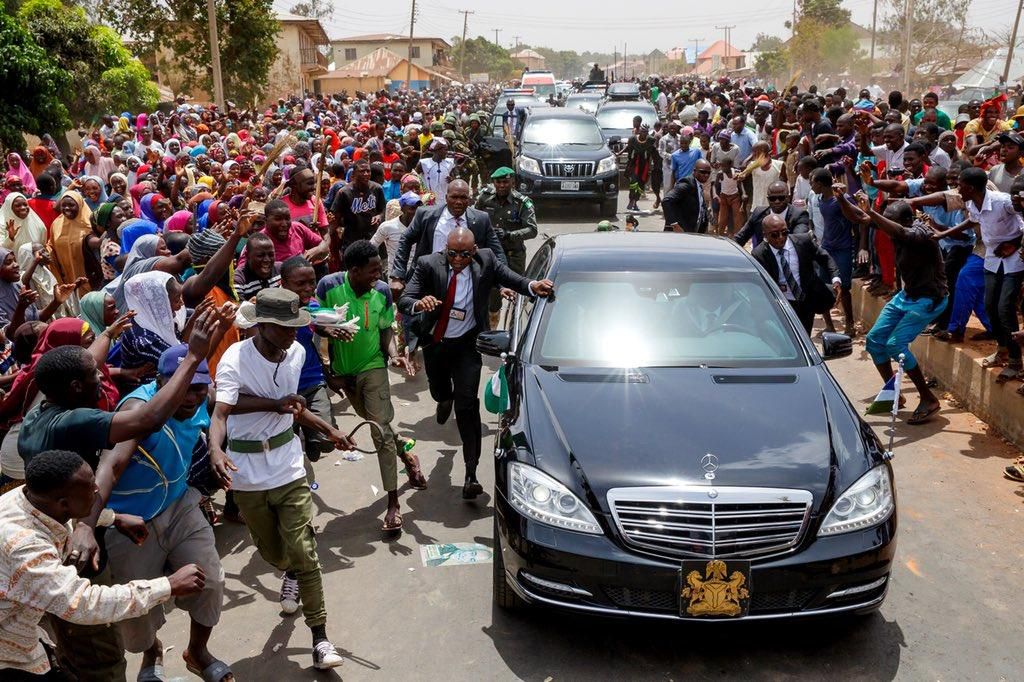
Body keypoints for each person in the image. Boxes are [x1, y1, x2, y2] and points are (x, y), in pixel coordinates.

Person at [16, 310, 226, 682]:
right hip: (67, 549)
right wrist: (193, 356)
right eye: (94, 374)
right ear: (75, 388)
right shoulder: (72, 421)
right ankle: (145, 656)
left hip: (97, 519)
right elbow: (144, 423)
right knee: (102, 651)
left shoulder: (43, 407)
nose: (104, 374)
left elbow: (87, 361)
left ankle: (193, 652)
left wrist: (109, 333)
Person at [209, 288, 355, 671]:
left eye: (298, 326)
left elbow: (292, 405)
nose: (295, 334)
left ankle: (321, 638)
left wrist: (328, 429)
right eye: (287, 328)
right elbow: (221, 411)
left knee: (305, 552)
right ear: (263, 325)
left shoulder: (297, 353)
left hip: (289, 465)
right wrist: (216, 450)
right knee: (275, 553)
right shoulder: (235, 358)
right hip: (247, 473)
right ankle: (287, 569)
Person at [82, 344, 232, 682]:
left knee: (210, 579)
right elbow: (113, 464)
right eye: (183, 387)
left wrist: (214, 449)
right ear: (162, 382)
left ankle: (197, 652)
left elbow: (214, 419)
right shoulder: (139, 408)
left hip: (180, 505)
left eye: (199, 387)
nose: (191, 397)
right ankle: (152, 652)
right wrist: (88, 526)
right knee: (136, 609)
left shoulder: (202, 399)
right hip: (130, 524)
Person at [0, 449, 205, 681]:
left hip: (25, 636)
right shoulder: (25, 547)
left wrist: (113, 518)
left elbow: (68, 514)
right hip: (10, 654)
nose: (98, 489)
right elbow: (81, 604)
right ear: (63, 503)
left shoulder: (27, 498)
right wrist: (168, 586)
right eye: (90, 488)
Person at [398, 228, 553, 498]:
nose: (457, 259)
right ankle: (443, 400)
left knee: (468, 404)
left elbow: (511, 278)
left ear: (474, 250)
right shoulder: (428, 264)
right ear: (445, 249)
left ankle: (471, 473)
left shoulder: (487, 260)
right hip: (436, 344)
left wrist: (532, 285)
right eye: (452, 253)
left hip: (468, 345)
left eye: (464, 254)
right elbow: (404, 299)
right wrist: (419, 303)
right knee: (441, 392)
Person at [316, 241, 425, 531]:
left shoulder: (382, 292)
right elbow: (316, 328)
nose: (379, 275)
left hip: (373, 367)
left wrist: (394, 355)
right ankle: (408, 456)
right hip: (343, 375)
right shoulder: (328, 286)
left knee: (379, 433)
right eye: (373, 270)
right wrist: (328, 372)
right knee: (381, 427)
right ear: (353, 270)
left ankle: (393, 503)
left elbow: (386, 329)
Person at [841, 194, 948, 424]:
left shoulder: (922, 234)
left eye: (888, 222)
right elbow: (859, 216)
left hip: (929, 299)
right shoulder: (896, 228)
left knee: (895, 345)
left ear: (908, 220)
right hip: (907, 296)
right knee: (874, 341)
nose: (885, 229)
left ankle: (928, 399)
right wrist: (841, 198)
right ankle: (894, 395)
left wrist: (872, 213)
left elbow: (900, 232)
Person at [931, 167, 1024, 380]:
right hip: (991, 258)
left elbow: (1023, 217)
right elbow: (973, 220)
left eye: (960, 185)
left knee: (1005, 308)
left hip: (1014, 259)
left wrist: (1014, 243)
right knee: (991, 306)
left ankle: (1015, 361)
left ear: (970, 187)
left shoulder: (1003, 201)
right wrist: (943, 234)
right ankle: (1002, 349)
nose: (957, 189)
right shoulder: (973, 203)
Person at [389, 180, 506, 288]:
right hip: (426, 280)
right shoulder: (425, 215)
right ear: (446, 198)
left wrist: (504, 282)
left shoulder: (481, 219)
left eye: (463, 197)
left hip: (465, 284)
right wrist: (398, 276)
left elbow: (497, 252)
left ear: (469, 200)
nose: (458, 202)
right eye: (454, 197)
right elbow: (406, 239)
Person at [752, 214, 842, 334]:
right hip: (782, 305)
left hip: (806, 301)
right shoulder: (759, 255)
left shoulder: (804, 241)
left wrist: (835, 279)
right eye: (774, 235)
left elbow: (825, 258)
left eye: (784, 233)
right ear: (765, 235)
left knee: (805, 337)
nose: (780, 238)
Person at [475, 167, 538, 326]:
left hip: (513, 256)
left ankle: (514, 330)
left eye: (505, 182)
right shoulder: (484, 198)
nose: (502, 185)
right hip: (492, 255)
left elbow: (532, 230)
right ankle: (491, 329)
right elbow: (473, 219)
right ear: (493, 183)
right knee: (493, 296)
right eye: (498, 182)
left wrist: (510, 234)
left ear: (512, 182)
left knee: (516, 296)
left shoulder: (522, 202)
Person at [329, 158, 385, 267]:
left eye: (368, 171)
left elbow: (383, 209)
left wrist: (379, 216)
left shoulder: (377, 189)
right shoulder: (344, 193)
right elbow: (335, 217)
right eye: (362, 171)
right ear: (354, 173)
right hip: (352, 240)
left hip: (373, 238)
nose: (366, 174)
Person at [733, 181, 811, 247]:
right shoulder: (758, 213)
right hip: (764, 260)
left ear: (788, 198)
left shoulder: (799, 215)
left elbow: (798, 240)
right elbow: (741, 237)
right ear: (768, 199)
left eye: (781, 198)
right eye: (772, 198)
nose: (777, 201)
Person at [662, 160, 712, 233]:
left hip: (692, 233)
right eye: (703, 172)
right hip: (680, 234)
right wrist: (675, 225)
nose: (706, 175)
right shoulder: (687, 184)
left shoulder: (699, 185)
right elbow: (667, 201)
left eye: (708, 173)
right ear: (694, 171)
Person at [233, 232, 281, 299]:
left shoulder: (281, 270)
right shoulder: (238, 280)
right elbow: (238, 307)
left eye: (271, 255)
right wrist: (248, 305)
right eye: (260, 255)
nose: (267, 260)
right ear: (247, 255)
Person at [625, 125, 658, 212]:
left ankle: (635, 201)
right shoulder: (633, 139)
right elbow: (628, 149)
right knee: (633, 183)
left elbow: (654, 152)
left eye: (646, 132)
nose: (644, 133)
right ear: (639, 132)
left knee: (641, 184)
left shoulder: (650, 140)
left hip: (644, 166)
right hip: (634, 164)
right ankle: (631, 200)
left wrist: (655, 163)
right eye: (643, 131)